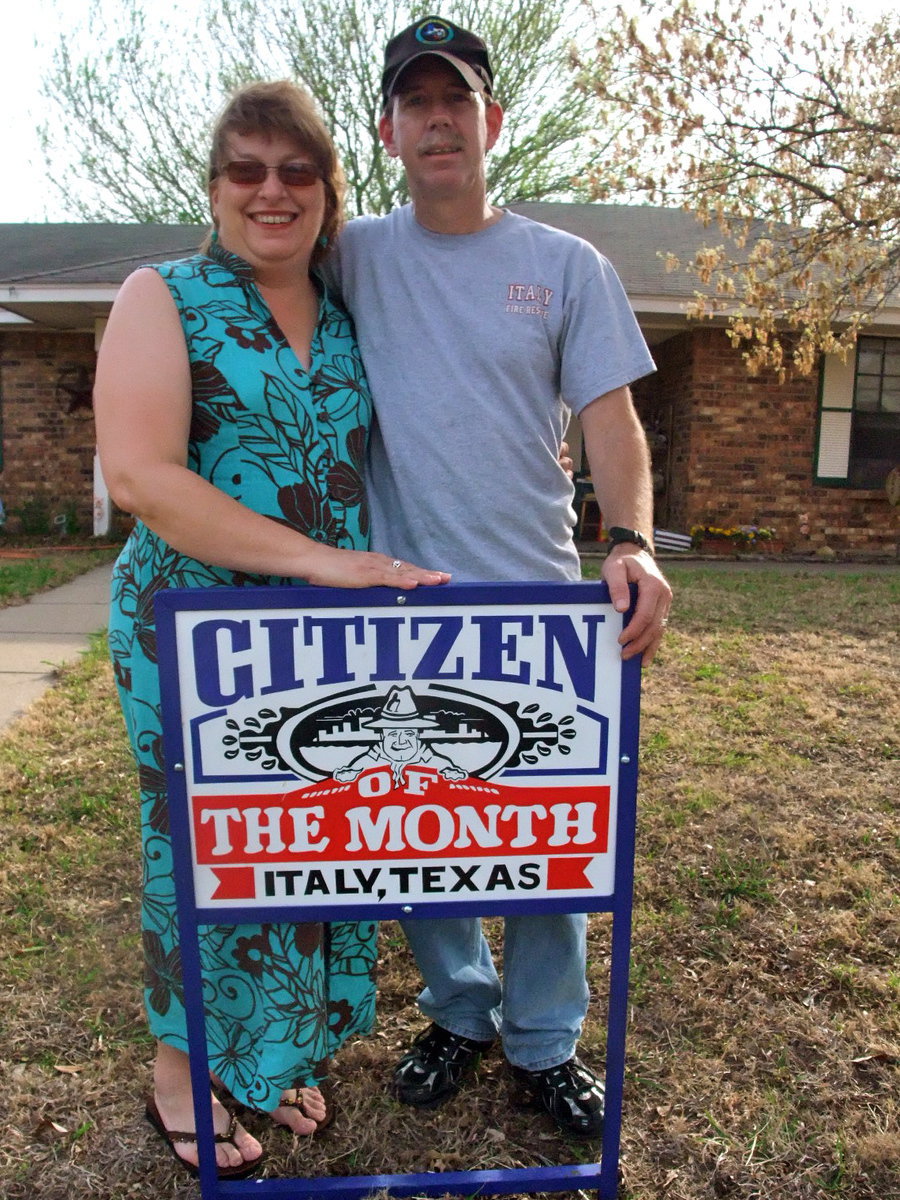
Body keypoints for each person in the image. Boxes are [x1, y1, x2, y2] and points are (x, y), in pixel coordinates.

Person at [318, 15, 673, 1138]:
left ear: (490, 122)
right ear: (388, 130)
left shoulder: (566, 267)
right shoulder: (351, 255)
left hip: (541, 608)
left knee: (552, 839)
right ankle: (460, 1013)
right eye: (415, 103)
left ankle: (541, 1039)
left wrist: (629, 541)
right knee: (419, 824)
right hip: (401, 608)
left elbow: (613, 421)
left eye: (455, 101)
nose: (437, 120)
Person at [93, 81, 449, 1179]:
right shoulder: (167, 294)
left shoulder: (346, 315)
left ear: (330, 191)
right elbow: (142, 475)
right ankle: (179, 1067)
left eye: (297, 171)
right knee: (199, 849)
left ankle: (274, 1049)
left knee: (301, 843)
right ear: (214, 188)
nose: (271, 190)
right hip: (193, 635)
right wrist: (320, 562)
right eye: (245, 169)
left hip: (321, 647)